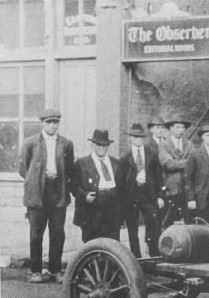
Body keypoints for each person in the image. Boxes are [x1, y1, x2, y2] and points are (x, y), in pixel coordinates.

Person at [18, 108, 74, 283]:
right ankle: (35, 270)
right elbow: (23, 169)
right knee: (36, 234)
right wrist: (36, 180)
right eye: (48, 122)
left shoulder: (66, 144)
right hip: (37, 194)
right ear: (42, 123)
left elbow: (70, 168)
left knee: (57, 233)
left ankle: (55, 270)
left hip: (58, 193)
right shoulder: (30, 143)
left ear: (59, 123)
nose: (52, 125)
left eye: (55, 122)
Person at [72, 129, 128, 242]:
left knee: (112, 242)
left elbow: (122, 189)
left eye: (105, 145)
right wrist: (84, 196)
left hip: (112, 207)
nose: (101, 148)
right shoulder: (82, 164)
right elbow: (73, 186)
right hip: (93, 207)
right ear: (92, 144)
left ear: (108, 146)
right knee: (92, 242)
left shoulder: (116, 164)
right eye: (98, 145)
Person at [119, 123, 164, 257]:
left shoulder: (151, 154)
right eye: (135, 137)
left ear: (143, 138)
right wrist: (134, 180)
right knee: (132, 228)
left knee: (152, 223)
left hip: (148, 195)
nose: (138, 140)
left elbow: (158, 176)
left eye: (140, 137)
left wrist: (160, 195)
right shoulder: (124, 158)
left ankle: (154, 253)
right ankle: (136, 257)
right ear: (131, 138)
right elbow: (121, 182)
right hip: (131, 196)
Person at [159, 116, 193, 229]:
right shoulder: (164, 145)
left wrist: (177, 162)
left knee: (189, 220)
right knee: (168, 220)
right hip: (171, 188)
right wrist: (187, 163)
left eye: (182, 127)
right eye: (177, 127)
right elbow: (168, 164)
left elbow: (194, 162)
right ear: (171, 129)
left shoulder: (189, 144)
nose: (180, 130)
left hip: (187, 188)